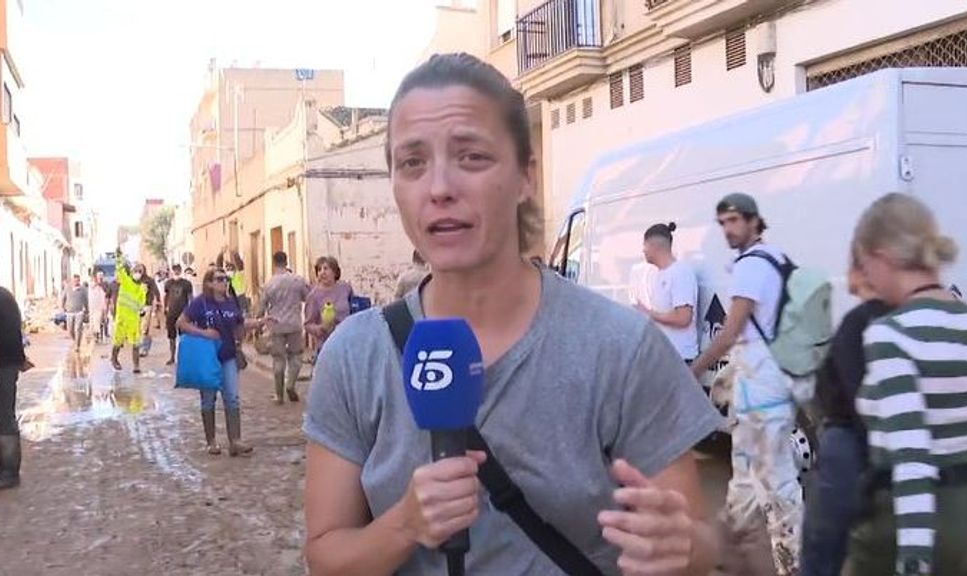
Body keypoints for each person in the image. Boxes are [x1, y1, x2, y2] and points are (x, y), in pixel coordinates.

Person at [302, 53, 721, 576]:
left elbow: (697, 545)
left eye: (471, 156)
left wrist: (679, 546)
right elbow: (325, 556)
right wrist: (404, 525)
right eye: (412, 163)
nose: (439, 188)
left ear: (526, 176)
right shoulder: (354, 356)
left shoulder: (621, 348)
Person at [848, 193, 967, 575]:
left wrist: (914, 561)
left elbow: (912, 458)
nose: (866, 278)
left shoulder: (892, 334)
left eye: (865, 264)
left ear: (882, 257)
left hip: (911, 524)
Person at [690, 192, 802, 576]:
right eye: (722, 223)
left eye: (734, 221)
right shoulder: (776, 258)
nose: (727, 229)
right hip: (762, 380)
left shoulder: (752, 266)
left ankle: (794, 563)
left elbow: (729, 332)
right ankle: (732, 555)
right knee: (743, 475)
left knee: (776, 482)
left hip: (762, 387)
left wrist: (693, 372)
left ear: (754, 221)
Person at [800, 258, 890, 576]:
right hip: (871, 450)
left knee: (822, 549)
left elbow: (858, 400)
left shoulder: (859, 322)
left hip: (846, 446)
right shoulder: (901, 320)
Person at [176, 268, 266, 456]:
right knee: (208, 399)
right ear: (209, 283)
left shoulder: (230, 302)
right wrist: (203, 333)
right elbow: (181, 323)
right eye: (219, 279)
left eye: (226, 279)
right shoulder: (200, 303)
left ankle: (235, 441)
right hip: (208, 358)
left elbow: (239, 324)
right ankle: (211, 442)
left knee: (232, 397)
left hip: (228, 355)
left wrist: (258, 323)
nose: (224, 282)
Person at [634, 222, 699, 363]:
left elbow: (683, 317)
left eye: (644, 246)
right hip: (664, 357)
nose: (643, 251)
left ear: (653, 246)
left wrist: (648, 313)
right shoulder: (660, 274)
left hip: (679, 358)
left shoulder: (680, 273)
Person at [0, 257, 30, 490]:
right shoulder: (4, 296)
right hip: (7, 364)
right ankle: (5, 471)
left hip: (3, 366)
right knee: (0, 415)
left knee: (3, 416)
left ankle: (8, 472)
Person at [259, 251, 310, 404]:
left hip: (276, 325)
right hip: (294, 323)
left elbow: (261, 307)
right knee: (296, 356)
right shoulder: (297, 280)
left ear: (274, 263)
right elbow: (307, 298)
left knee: (278, 360)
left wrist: (259, 322)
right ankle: (290, 384)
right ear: (286, 262)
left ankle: (279, 395)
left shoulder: (269, 284)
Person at [110, 250, 149, 373]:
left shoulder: (142, 288)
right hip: (122, 319)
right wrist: (119, 257)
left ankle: (136, 366)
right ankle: (114, 358)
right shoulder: (125, 281)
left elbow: (141, 303)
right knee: (117, 341)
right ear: (131, 272)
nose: (137, 273)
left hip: (133, 320)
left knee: (136, 344)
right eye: (136, 271)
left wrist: (142, 310)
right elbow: (120, 269)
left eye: (140, 272)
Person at [304, 256, 352, 354]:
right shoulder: (314, 296)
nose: (322, 272)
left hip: (347, 341)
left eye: (326, 268)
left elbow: (353, 306)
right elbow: (308, 324)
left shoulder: (345, 288)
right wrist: (321, 328)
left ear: (335, 272)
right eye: (319, 269)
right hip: (327, 345)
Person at [163, 264, 194, 366]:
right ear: (172, 271)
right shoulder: (168, 283)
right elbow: (166, 296)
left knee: (184, 337)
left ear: (180, 271)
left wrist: (191, 311)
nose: (176, 272)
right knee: (171, 337)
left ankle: (184, 357)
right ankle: (172, 357)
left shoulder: (186, 284)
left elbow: (190, 297)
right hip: (171, 313)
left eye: (178, 270)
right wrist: (164, 308)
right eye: (174, 270)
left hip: (183, 314)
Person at [60, 274, 89, 350]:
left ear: (79, 281)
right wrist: (62, 308)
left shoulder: (83, 289)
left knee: (78, 328)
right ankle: (75, 340)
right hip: (69, 312)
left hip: (79, 312)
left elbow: (86, 300)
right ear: (72, 281)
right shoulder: (67, 288)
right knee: (70, 330)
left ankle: (77, 345)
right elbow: (63, 298)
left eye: (77, 280)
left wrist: (87, 310)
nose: (76, 282)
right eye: (74, 280)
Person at [88, 271, 109, 345]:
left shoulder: (105, 285)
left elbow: (107, 294)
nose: (100, 278)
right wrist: (98, 283)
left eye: (101, 276)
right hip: (94, 307)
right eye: (98, 276)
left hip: (102, 306)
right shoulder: (92, 284)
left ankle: (104, 336)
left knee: (103, 321)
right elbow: (92, 287)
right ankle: (97, 336)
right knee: (95, 323)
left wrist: (106, 305)